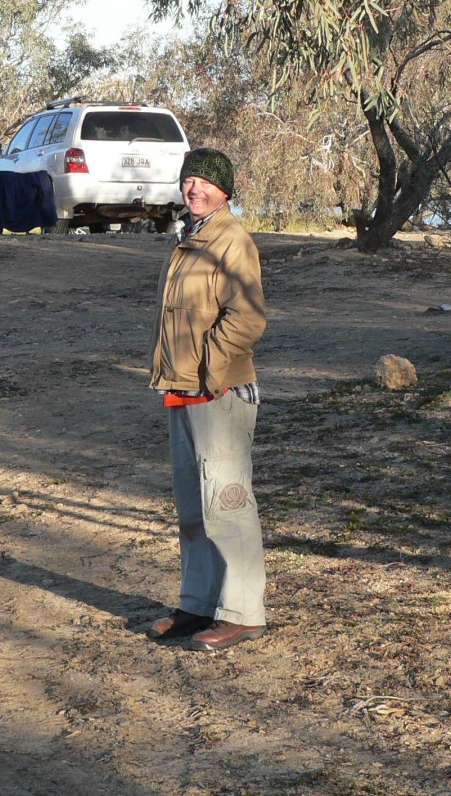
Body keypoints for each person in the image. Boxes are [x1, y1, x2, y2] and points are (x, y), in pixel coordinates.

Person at [146, 148, 268, 651]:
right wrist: (181, 377)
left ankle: (243, 613)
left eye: (204, 181)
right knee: (194, 506)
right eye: (188, 179)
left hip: (219, 391)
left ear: (225, 190)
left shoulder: (232, 239)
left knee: (227, 504)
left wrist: (210, 371)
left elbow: (248, 318)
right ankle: (198, 604)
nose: (193, 188)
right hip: (183, 389)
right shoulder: (188, 237)